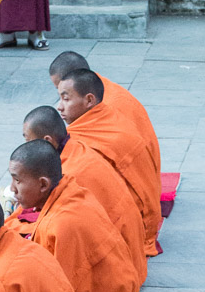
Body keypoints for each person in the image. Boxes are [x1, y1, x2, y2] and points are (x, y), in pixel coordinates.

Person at [7, 143, 140, 292]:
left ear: (43, 185)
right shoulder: (72, 190)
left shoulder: (62, 224)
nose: (11, 188)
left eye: (17, 180)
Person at [21, 105, 146, 284]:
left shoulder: (71, 173)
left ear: (47, 141)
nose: (26, 147)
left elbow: (61, 282)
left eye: (28, 141)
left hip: (121, 265)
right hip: (126, 251)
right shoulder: (76, 147)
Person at [57, 69, 161, 257]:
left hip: (136, 225)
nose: (59, 107)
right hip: (143, 212)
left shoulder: (81, 144)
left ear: (89, 100)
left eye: (66, 99)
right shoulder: (110, 116)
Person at [49, 51, 161, 177]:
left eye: (66, 97)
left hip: (138, 177)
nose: (59, 106)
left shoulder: (109, 107)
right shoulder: (99, 87)